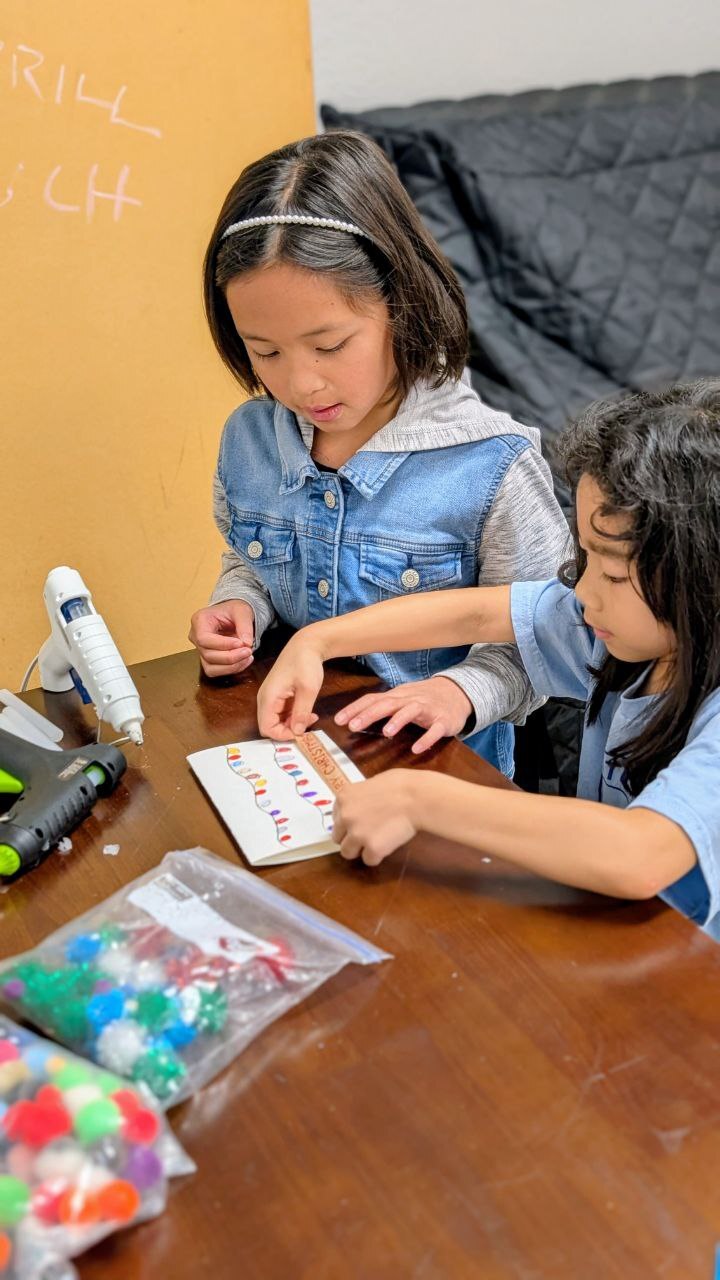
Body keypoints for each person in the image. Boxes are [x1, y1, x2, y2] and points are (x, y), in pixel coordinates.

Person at [256, 382, 720, 939]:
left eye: (615, 573)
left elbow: (641, 853)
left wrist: (418, 797)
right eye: (585, 558)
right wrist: (317, 641)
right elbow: (477, 615)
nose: (586, 592)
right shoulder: (633, 634)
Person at [189, 131, 569, 777]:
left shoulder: (492, 465)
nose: (301, 384)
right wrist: (240, 605)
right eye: (265, 351)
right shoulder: (250, 438)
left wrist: (459, 692)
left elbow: (551, 637)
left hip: (440, 782)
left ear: (403, 304)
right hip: (291, 761)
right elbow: (252, 559)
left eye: (330, 345)